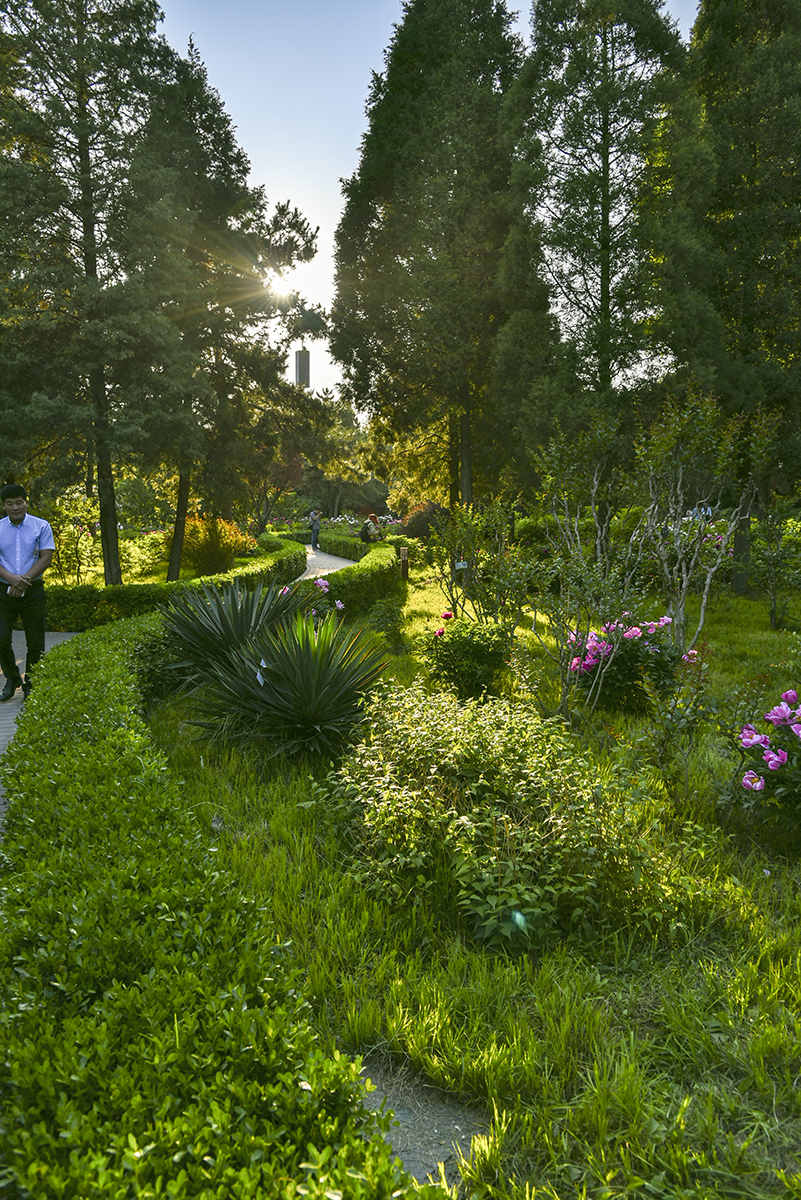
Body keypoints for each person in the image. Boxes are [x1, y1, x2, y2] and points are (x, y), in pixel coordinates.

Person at [0, 484, 55, 701]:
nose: (15, 507)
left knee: (35, 642)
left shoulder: (41, 526)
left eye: (19, 502)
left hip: (33, 592)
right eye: (10, 504)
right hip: (3, 592)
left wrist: (22, 582)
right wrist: (11, 578)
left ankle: (32, 682)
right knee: (1, 638)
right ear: (4, 506)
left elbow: (46, 557)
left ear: (26, 502)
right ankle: (13, 678)